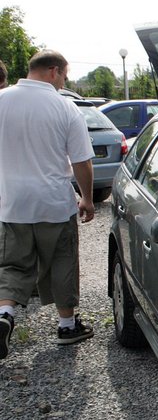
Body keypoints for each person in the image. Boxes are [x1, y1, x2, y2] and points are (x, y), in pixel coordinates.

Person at [0, 49, 96, 361]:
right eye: (65, 76)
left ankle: (5, 316)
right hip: (54, 203)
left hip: (11, 203)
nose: (63, 82)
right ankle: (67, 326)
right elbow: (82, 161)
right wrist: (88, 198)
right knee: (61, 260)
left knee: (14, 264)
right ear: (54, 71)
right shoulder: (64, 107)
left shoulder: (2, 100)